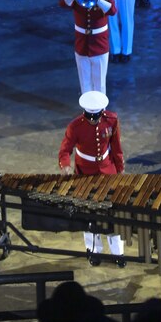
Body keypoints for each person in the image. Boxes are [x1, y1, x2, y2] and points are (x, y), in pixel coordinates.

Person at [58, 91, 126, 266]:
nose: (93, 120)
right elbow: (65, 150)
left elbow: (116, 147)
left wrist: (119, 169)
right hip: (84, 172)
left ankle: (118, 253)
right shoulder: (75, 126)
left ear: (102, 112)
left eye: (96, 117)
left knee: (112, 213)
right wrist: (65, 165)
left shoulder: (111, 120)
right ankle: (93, 251)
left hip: (107, 169)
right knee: (88, 214)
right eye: (90, 117)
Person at [60, 0, 116, 94]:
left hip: (99, 45)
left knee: (99, 83)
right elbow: (62, 3)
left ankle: (100, 112)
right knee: (84, 81)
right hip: (82, 45)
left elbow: (112, 11)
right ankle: (87, 111)